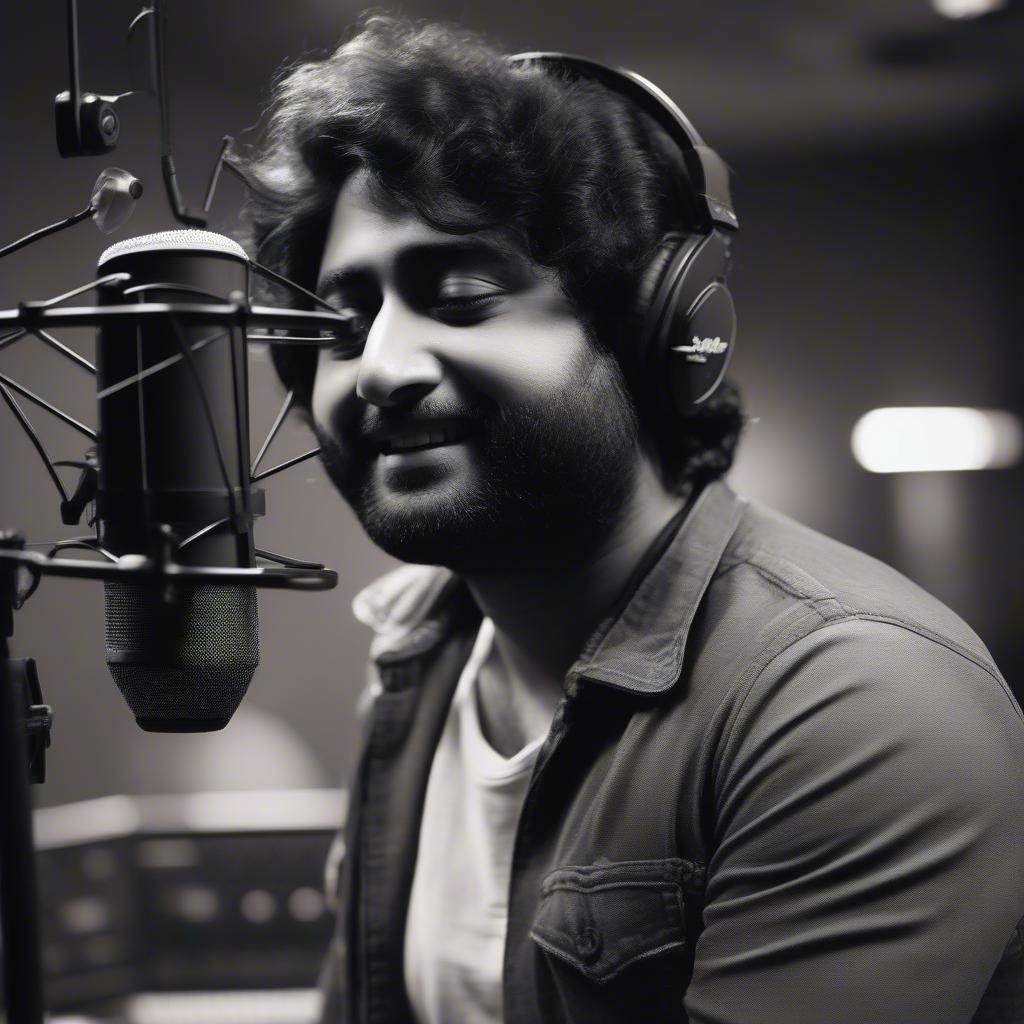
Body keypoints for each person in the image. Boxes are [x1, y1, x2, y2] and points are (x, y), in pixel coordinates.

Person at [241, 14, 1024, 1024]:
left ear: (659, 336)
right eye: (344, 325)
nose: (381, 369)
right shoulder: (421, 653)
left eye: (463, 296)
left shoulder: (860, 701)